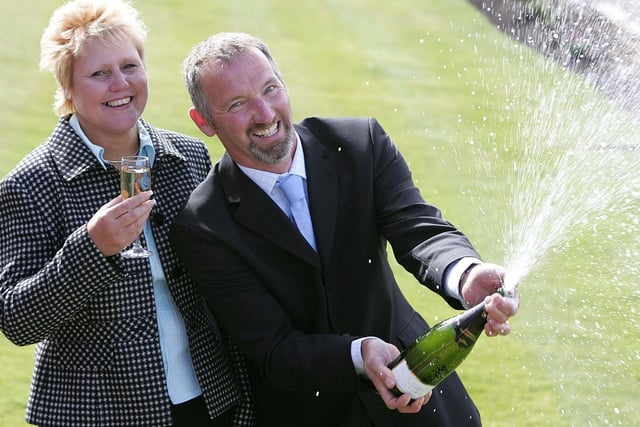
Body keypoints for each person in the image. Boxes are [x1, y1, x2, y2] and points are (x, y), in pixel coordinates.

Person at [171, 31, 519, 427]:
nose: (265, 114)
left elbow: (419, 228)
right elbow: (275, 350)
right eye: (237, 104)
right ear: (204, 121)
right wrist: (358, 354)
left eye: (271, 89)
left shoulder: (360, 143)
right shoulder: (203, 226)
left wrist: (466, 274)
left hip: (424, 399)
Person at [0, 3, 254, 427]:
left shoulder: (188, 157)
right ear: (68, 87)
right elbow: (16, 320)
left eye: (130, 66)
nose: (121, 84)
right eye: (99, 73)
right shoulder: (31, 183)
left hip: (209, 400)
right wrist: (92, 249)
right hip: (97, 412)